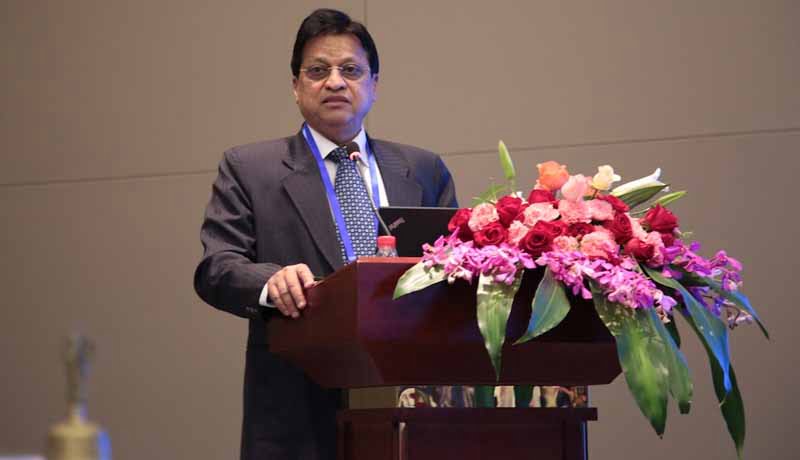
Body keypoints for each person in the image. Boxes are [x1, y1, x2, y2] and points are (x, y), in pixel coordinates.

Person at [193, 8, 457, 460]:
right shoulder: (249, 169)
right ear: (296, 86)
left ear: (374, 84)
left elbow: (456, 270)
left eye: (351, 70)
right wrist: (270, 282)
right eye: (318, 71)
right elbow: (216, 267)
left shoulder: (423, 169)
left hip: (410, 411)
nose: (335, 82)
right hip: (296, 413)